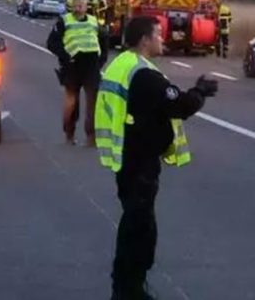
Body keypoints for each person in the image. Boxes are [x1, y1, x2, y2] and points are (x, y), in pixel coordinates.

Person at [96, 16, 218, 300]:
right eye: (158, 35)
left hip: (127, 157)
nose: (163, 39)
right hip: (139, 161)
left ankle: (127, 287)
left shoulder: (122, 64)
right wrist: (200, 91)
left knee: (135, 225)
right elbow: (180, 104)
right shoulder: (144, 74)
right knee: (139, 230)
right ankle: (129, 290)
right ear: (144, 40)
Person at [46, 0, 110, 145]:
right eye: (76, 5)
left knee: (93, 103)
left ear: (86, 6)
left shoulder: (94, 21)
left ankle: (91, 136)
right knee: (72, 102)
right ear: (72, 6)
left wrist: (101, 60)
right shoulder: (64, 21)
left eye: (81, 5)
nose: (79, 8)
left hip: (91, 66)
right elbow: (51, 43)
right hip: (72, 66)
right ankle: (69, 132)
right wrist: (65, 56)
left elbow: (104, 40)